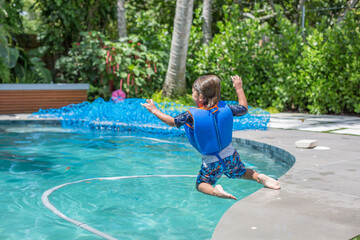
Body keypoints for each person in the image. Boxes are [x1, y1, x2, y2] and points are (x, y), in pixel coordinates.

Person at [141, 75, 280, 200]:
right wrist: (239, 88)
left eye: (193, 93)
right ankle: (259, 177)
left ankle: (216, 191)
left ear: (200, 97)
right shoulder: (227, 108)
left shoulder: (191, 116)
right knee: (241, 172)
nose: (192, 96)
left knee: (201, 184)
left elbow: (172, 121)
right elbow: (243, 108)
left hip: (211, 161)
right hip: (230, 154)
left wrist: (154, 110)